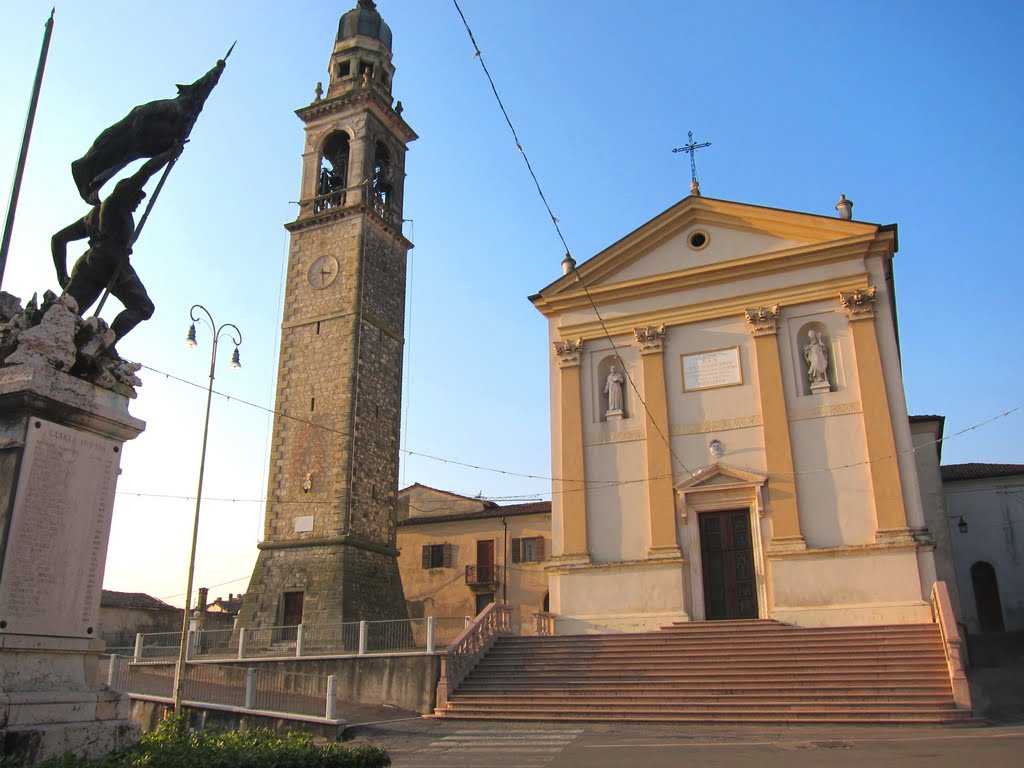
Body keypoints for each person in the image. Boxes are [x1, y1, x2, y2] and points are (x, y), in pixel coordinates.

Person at [52, 144, 182, 349]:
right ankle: (104, 345)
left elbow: (58, 239)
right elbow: (145, 171)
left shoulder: (92, 216)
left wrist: (62, 276)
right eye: (138, 194)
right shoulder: (118, 200)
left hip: (88, 262)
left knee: (64, 314)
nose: (140, 200)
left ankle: (55, 346)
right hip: (111, 259)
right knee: (143, 307)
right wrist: (170, 154)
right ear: (128, 190)